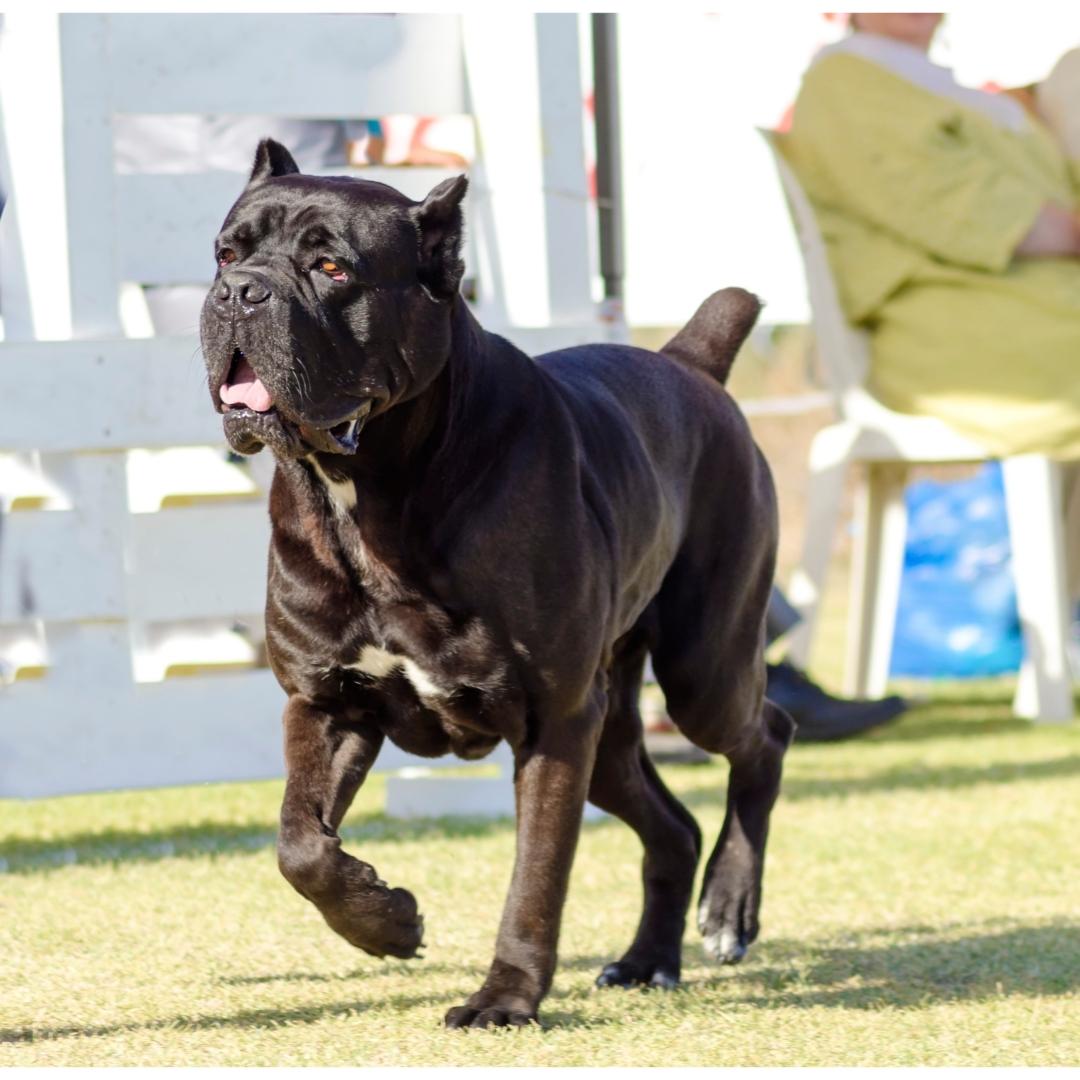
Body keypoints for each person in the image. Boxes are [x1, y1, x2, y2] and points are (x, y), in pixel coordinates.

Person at [782, 13, 1080, 460]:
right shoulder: (845, 81)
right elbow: (989, 216)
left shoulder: (936, 83)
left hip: (1037, 306)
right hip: (961, 329)